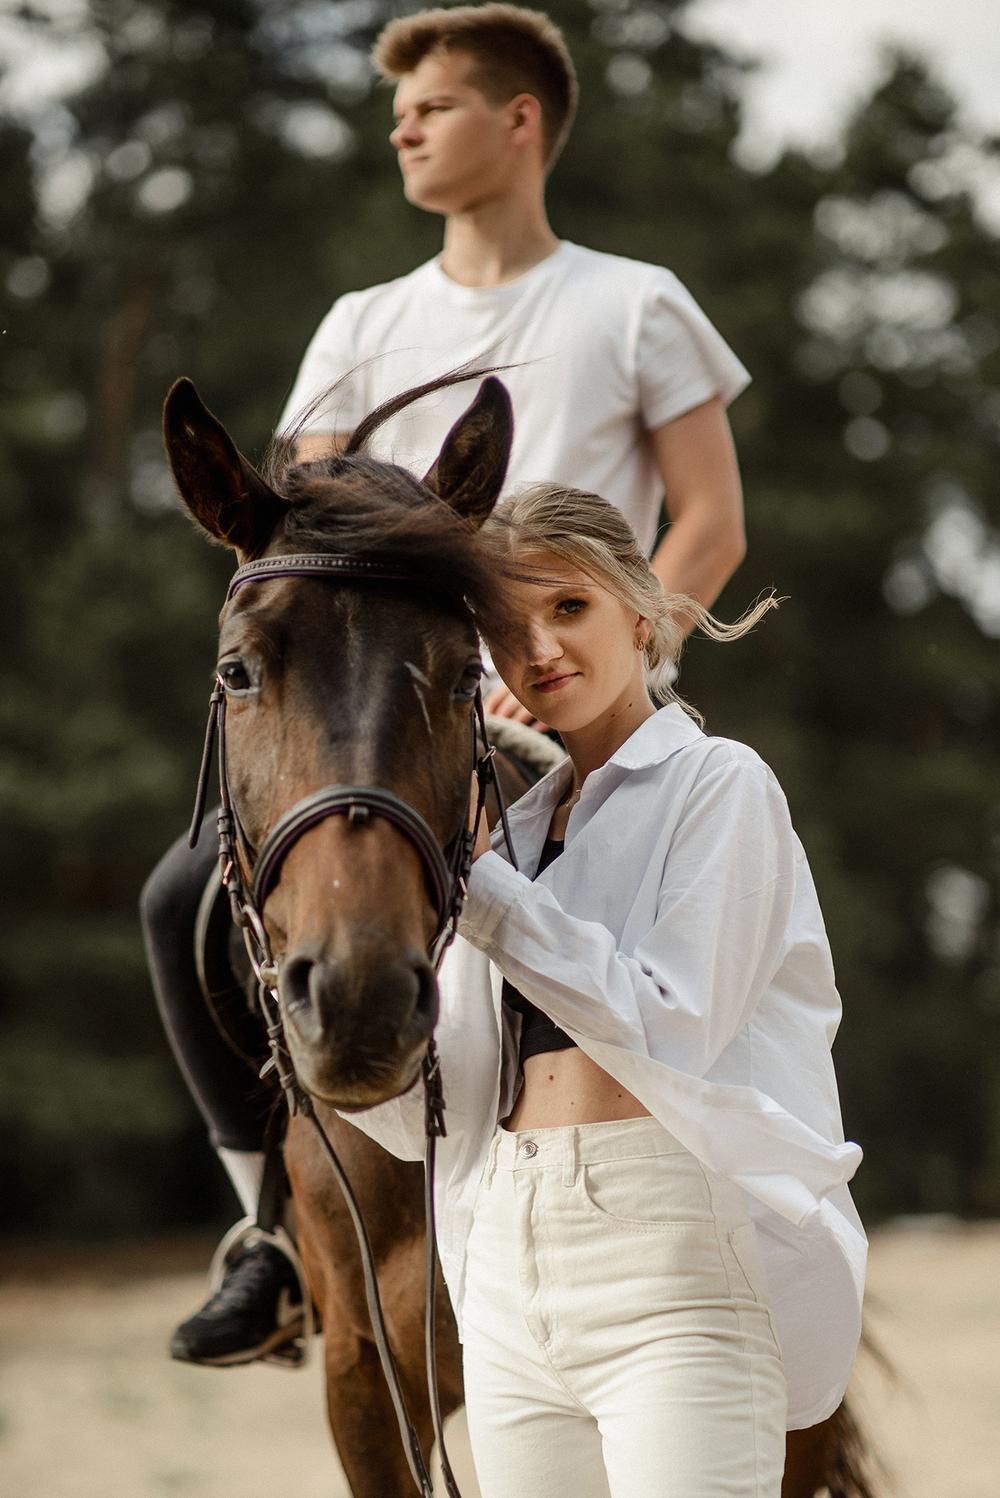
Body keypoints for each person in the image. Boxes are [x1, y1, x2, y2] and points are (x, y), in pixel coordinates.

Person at [144, 0, 751, 1366]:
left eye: (433, 103)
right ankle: (268, 1235)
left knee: (708, 920)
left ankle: (768, 1202)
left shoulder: (637, 300)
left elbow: (710, 522)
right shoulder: (366, 319)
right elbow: (301, 516)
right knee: (179, 891)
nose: (403, 125)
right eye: (397, 109)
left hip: (584, 696)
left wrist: (595, 676)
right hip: (388, 703)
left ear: (519, 119)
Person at [345, 483, 866, 1497]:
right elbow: (428, 1124)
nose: (536, 646)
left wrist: (482, 888)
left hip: (674, 1276)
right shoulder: (512, 828)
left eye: (567, 607)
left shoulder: (719, 786)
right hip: (500, 1266)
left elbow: (672, 1025)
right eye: (504, 626)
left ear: (642, 608)